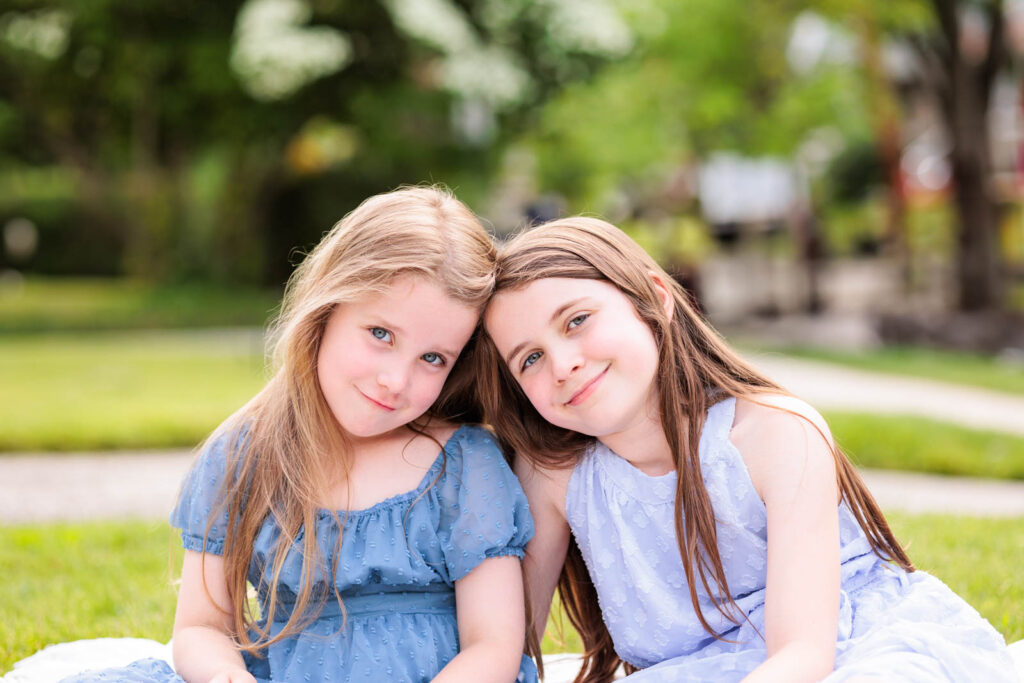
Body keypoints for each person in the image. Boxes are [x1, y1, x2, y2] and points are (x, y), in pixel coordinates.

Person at [475, 216, 1017, 682]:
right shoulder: (555, 476)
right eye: (529, 359)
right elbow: (507, 644)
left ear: (655, 300)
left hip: (844, 650)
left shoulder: (773, 434)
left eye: (577, 320)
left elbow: (804, 654)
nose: (562, 363)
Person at [64, 187, 537, 683]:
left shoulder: (462, 463)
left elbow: (494, 646)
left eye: (432, 358)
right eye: (380, 334)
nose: (396, 380)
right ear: (326, 309)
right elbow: (202, 628)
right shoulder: (246, 454)